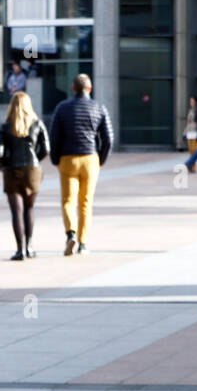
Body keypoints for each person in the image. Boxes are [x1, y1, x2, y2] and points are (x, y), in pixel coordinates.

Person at [48, 73, 114, 256]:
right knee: (86, 202)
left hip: (68, 158)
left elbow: (54, 137)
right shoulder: (99, 108)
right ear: (90, 89)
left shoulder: (62, 108)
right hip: (90, 158)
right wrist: (100, 159)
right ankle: (83, 243)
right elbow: (108, 138)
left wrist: (55, 159)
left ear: (73, 88)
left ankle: (70, 233)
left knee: (68, 200)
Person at [0, 91, 49, 260]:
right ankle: (30, 246)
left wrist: (4, 164)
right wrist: (36, 161)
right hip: (32, 170)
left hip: (12, 169)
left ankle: (20, 250)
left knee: (16, 211)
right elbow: (46, 148)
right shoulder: (37, 123)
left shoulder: (5, 126)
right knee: (29, 208)